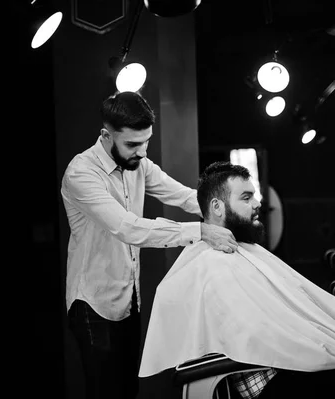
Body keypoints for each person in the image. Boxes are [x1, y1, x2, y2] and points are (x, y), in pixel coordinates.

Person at [139, 161, 335, 398]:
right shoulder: (211, 265)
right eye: (246, 197)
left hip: (286, 364)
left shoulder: (240, 252)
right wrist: (316, 342)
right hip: (270, 380)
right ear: (217, 207)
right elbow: (254, 335)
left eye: (254, 195)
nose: (257, 204)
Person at [60, 92, 238, 399]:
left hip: (129, 298)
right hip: (93, 304)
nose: (142, 152)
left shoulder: (138, 162)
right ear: (106, 136)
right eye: (132, 144)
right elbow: (127, 228)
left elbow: (182, 195)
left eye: (147, 142)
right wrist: (203, 231)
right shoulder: (81, 173)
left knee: (129, 390)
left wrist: (226, 208)